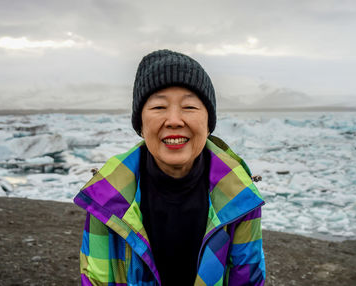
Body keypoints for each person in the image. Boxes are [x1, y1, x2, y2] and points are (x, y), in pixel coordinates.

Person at [73, 49, 265, 285]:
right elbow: (97, 279)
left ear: (209, 123)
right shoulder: (108, 194)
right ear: (141, 124)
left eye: (189, 107)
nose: (174, 120)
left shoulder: (238, 194)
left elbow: (246, 279)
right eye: (159, 107)